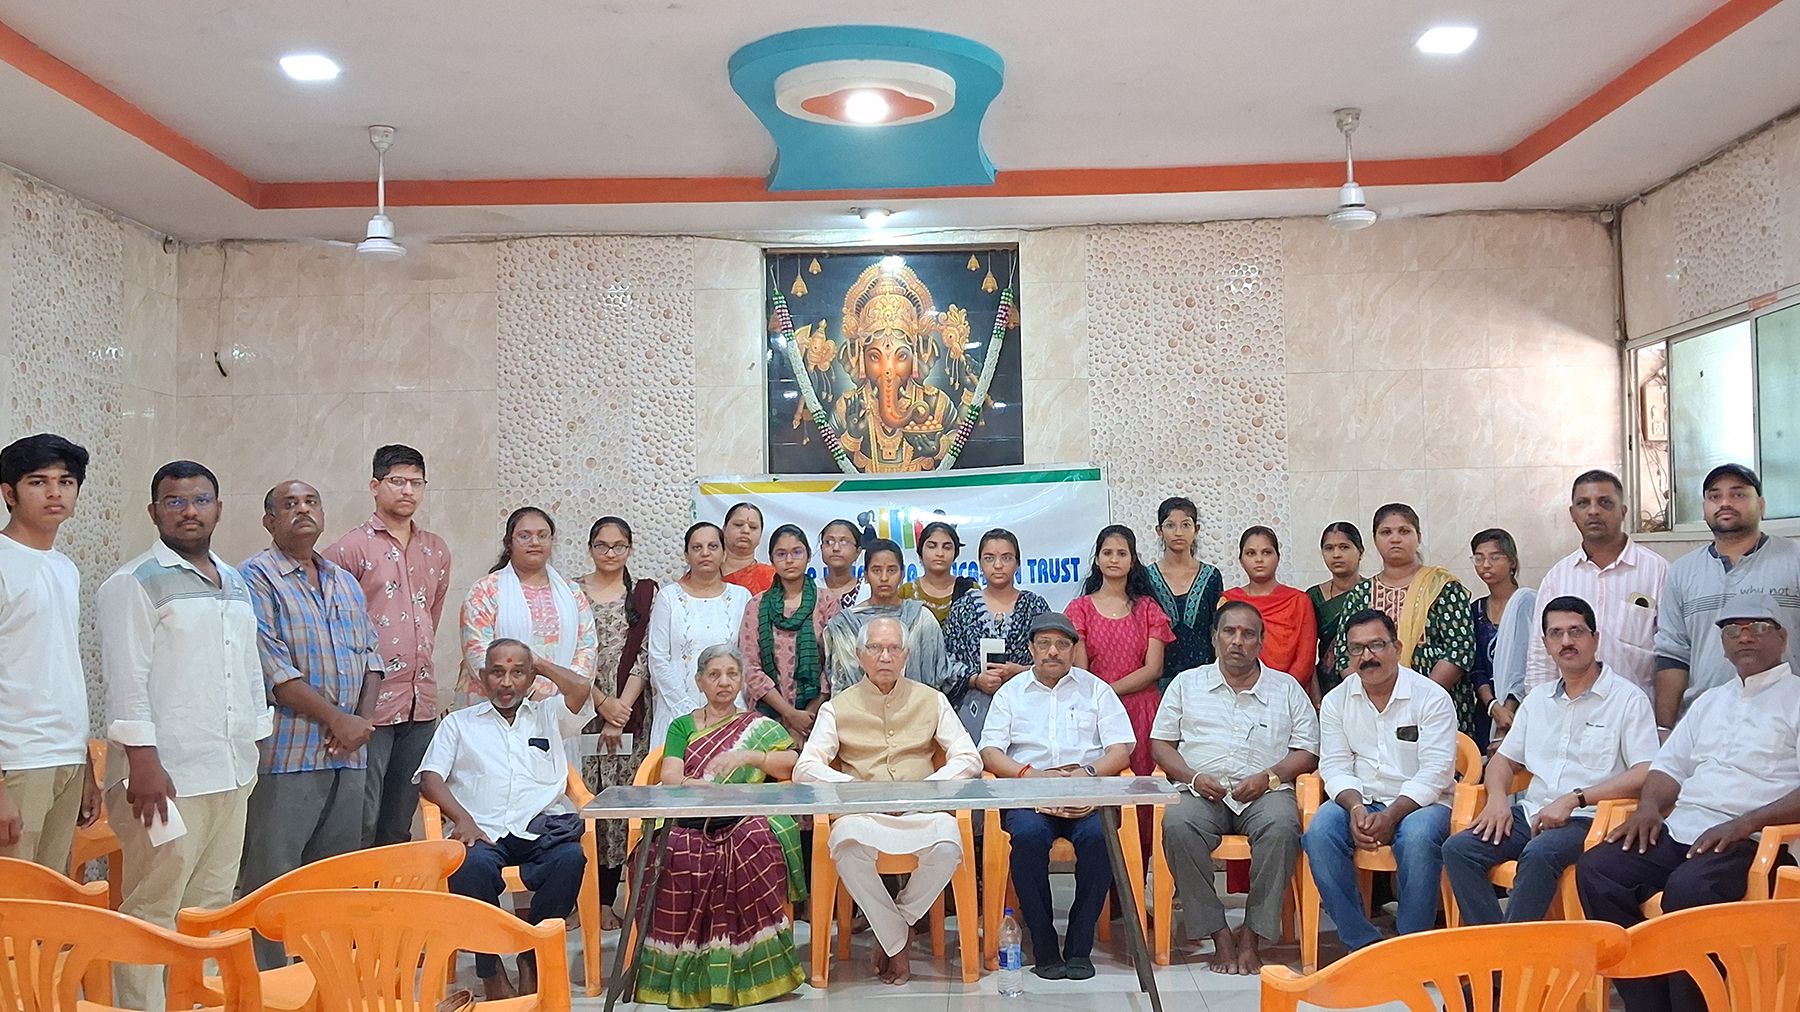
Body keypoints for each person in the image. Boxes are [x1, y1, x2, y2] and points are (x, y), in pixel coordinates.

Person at [98, 461, 272, 1011]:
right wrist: (143, 764)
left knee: (210, 906)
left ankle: (194, 1003)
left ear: (219, 508)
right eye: (174, 501)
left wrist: (256, 737)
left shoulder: (234, 580)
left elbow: (247, 667)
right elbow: (127, 681)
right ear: (154, 512)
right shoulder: (133, 583)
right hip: (163, 780)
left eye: (200, 500)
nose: (189, 511)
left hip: (229, 772)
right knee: (154, 906)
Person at [1578, 593, 1800, 1012]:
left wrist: (1745, 823)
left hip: (1754, 841)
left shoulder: (1797, 699)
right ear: (1723, 644)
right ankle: (1649, 1003)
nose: (1745, 637)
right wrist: (1648, 808)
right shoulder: (1711, 701)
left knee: (1689, 891)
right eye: (1732, 629)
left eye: (1758, 627)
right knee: (1598, 870)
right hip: (1684, 829)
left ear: (1783, 638)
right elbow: (1668, 767)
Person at [238, 482, 385, 968]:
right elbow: (273, 671)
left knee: (335, 877)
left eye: (310, 502)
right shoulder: (255, 578)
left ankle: (322, 979)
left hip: (350, 755)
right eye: (289, 505)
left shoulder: (343, 581)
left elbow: (372, 658)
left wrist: (361, 722)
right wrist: (338, 719)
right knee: (275, 877)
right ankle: (270, 983)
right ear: (269, 521)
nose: (302, 510)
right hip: (288, 755)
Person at [1442, 595, 1657, 926]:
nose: (1566, 641)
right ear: (1545, 644)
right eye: (1556, 633)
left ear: (1595, 639)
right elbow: (1503, 761)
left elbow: (1645, 771)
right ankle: (1495, 948)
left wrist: (1575, 799)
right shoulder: (1538, 700)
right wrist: (1497, 801)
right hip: (1532, 813)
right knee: (1459, 849)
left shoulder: (1627, 699)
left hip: (1590, 819)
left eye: (1576, 631)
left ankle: (1513, 953)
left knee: (1540, 853)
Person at [794, 616, 982, 986]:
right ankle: (899, 938)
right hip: (864, 813)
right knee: (846, 844)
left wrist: (927, 789)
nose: (885, 657)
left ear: (906, 655)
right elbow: (806, 768)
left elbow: (969, 758)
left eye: (894, 648)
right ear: (859, 655)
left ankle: (895, 929)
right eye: (876, 649)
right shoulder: (838, 707)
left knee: (949, 843)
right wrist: (857, 790)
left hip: (921, 810)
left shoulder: (932, 700)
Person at [418, 639, 591, 1001]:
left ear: (531, 677)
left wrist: (539, 663)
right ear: (483, 677)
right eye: (498, 672)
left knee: (571, 859)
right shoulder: (459, 724)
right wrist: (463, 819)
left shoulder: (548, 715)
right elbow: (431, 777)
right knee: (469, 866)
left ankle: (532, 957)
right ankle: (491, 970)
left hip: (539, 830)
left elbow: (580, 689)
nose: (507, 682)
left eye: (517, 673)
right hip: (483, 831)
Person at [1150, 600, 1318, 974]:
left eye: (1247, 634)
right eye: (1229, 632)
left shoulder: (1286, 688)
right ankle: (1220, 935)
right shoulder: (1186, 684)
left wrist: (1269, 777)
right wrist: (1191, 777)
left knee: (1282, 827)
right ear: (1215, 638)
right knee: (1178, 825)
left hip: (1265, 793)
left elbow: (1308, 750)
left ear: (1261, 641)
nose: (1237, 641)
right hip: (1201, 792)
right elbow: (1160, 743)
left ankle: (1253, 936)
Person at [639, 644, 807, 1008]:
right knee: (673, 850)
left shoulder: (758, 726)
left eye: (732, 674)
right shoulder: (682, 725)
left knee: (756, 842)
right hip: (691, 818)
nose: (724, 682)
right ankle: (681, 971)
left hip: (742, 817)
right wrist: (699, 786)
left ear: (742, 681)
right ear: (699, 681)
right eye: (714, 675)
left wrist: (747, 756)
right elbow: (670, 775)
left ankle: (755, 972)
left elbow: (792, 763)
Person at [978, 612, 1134, 980]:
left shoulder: (1096, 690)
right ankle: (1045, 946)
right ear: (1031, 649)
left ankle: (1079, 947)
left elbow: (1121, 750)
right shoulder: (1011, 693)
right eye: (1044, 644)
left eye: (1062, 644)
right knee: (1028, 839)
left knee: (1100, 839)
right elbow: (989, 751)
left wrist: (1087, 773)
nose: (1053, 651)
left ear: (1074, 650)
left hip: (1085, 793)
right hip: (1030, 793)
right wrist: (1030, 775)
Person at [1304, 608, 1458, 953]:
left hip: (1423, 804)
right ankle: (1362, 944)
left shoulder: (1430, 696)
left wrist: (1392, 815)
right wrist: (1355, 807)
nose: (1367, 657)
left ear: (1397, 648)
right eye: (1356, 649)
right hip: (1363, 799)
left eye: (1376, 645)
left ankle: (1409, 950)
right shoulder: (1337, 700)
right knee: (1319, 833)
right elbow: (1334, 764)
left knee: (1417, 838)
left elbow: (1436, 772)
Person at [324, 443, 452, 849]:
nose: (407, 490)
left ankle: (393, 889)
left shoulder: (436, 549)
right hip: (369, 707)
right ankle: (359, 887)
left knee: (399, 821)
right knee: (361, 816)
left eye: (416, 482)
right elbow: (331, 626)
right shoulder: (349, 549)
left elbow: (432, 615)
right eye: (397, 481)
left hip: (421, 703)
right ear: (375, 486)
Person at [0, 434, 100, 870]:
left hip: (66, 757)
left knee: (51, 897)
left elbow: (62, 670)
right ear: (9, 493)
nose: (55, 492)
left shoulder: (64, 567)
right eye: (38, 482)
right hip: (17, 760)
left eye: (66, 481)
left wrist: (86, 764)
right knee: (12, 896)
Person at [1653, 464, 1800, 734]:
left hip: (1785, 722)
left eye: (1738, 494)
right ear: (1704, 508)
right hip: (1705, 723)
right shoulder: (1683, 572)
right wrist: (1664, 729)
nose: (1725, 503)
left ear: (1762, 505)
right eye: (1715, 496)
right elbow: (1673, 655)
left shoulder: (1794, 559)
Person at [1328, 504, 1477, 736]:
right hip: (1372, 712)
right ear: (1375, 540)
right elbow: (1344, 654)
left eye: (1404, 531)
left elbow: (1459, 650)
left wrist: (1419, 701)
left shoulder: (1443, 587)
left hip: (1436, 706)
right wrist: (1373, 700)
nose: (1395, 539)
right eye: (1386, 532)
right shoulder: (1360, 594)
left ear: (1418, 537)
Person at [573, 516, 656, 931]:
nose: (610, 553)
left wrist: (620, 709)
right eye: (602, 545)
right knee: (585, 805)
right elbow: (565, 653)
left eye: (619, 546)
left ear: (630, 549)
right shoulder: (571, 592)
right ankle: (581, 900)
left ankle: (612, 899)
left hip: (631, 713)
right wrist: (601, 704)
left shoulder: (643, 595)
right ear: (590, 548)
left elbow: (645, 654)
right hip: (580, 712)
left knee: (622, 809)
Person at [1524, 469, 1669, 700]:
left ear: (1623, 512)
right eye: (1584, 503)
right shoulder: (1558, 577)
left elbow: (1671, 654)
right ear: (1573, 513)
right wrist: (1538, 709)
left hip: (1636, 711)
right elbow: (1541, 657)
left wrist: (1665, 718)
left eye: (1605, 502)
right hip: (1570, 712)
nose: (1593, 511)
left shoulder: (1657, 571)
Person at [459, 507, 599, 719]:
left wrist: (565, 695)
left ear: (552, 541)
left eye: (542, 535)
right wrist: (529, 694)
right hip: (496, 707)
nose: (535, 542)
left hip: (559, 709)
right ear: (509, 543)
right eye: (525, 536)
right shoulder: (485, 590)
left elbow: (587, 648)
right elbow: (477, 651)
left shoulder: (572, 592)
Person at [1067, 524, 1175, 775]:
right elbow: (1081, 670)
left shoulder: (1148, 609)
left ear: (1132, 561)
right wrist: (1102, 699)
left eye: (1122, 553)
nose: (1114, 559)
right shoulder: (1079, 609)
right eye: (1107, 553)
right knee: (1097, 780)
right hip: (1094, 710)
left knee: (1144, 783)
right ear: (1097, 560)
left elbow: (1154, 669)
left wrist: (1109, 692)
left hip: (1142, 710)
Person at [648, 522, 753, 750]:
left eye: (713, 546)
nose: (705, 553)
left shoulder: (741, 597)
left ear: (724, 553)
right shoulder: (668, 598)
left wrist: (724, 710)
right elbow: (657, 658)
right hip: (675, 713)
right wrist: (688, 712)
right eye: (697, 547)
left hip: (730, 713)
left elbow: (747, 658)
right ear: (686, 555)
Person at [943, 528, 1050, 739]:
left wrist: (1020, 671)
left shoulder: (1035, 606)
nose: (998, 565)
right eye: (989, 558)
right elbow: (946, 662)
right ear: (980, 563)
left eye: (1006, 558)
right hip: (973, 710)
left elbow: (1052, 659)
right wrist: (976, 680)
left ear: (1018, 563)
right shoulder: (962, 608)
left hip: (1028, 706)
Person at [821, 538, 955, 695]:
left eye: (891, 570)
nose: (884, 578)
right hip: (857, 708)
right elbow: (838, 681)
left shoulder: (922, 619)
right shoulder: (845, 625)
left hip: (916, 707)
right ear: (865, 575)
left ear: (902, 574)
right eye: (877, 570)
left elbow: (940, 676)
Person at [739, 524, 829, 747]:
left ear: (808, 555)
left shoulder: (826, 602)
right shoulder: (756, 605)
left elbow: (833, 666)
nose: (789, 560)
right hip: (768, 717)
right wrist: (790, 714)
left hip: (817, 718)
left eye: (796, 552)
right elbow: (750, 667)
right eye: (781, 554)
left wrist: (807, 717)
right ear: (771, 559)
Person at [1222, 526, 1319, 700]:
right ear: (1241, 560)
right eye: (1251, 553)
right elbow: (1223, 654)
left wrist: (1281, 693)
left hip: (1289, 695)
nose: (1259, 559)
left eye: (1267, 553)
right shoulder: (1229, 601)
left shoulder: (1298, 601)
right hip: (1238, 694)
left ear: (1278, 557)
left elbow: (1305, 658)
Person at [1467, 528, 1536, 751]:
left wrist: (1508, 709)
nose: (1486, 565)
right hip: (1487, 710)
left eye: (1495, 557)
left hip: (1524, 708)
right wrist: (1493, 706)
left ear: (1512, 562)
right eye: (1479, 558)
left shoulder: (1528, 603)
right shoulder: (1475, 609)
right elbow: (1476, 666)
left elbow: (1529, 663)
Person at [1147, 497, 1224, 692]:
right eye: (1170, 525)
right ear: (1159, 531)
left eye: (1186, 525)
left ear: (1196, 530)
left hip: (1205, 677)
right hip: (1158, 679)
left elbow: (1217, 629)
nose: (1178, 532)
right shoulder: (1146, 577)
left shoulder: (1211, 576)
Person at [1308, 523, 1365, 697]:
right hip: (1327, 686)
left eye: (1344, 547)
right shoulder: (1313, 596)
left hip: (1368, 678)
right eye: (1329, 548)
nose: (1336, 554)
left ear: (1360, 552)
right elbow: (1307, 652)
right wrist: (1316, 697)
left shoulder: (1372, 591)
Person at [899, 520, 978, 626]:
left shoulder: (971, 591)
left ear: (956, 553)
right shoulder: (905, 593)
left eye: (947, 547)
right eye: (932, 546)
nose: (940, 553)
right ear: (920, 552)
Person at [817, 518, 870, 615]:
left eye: (844, 542)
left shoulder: (868, 590)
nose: (836, 548)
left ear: (858, 551)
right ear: (821, 548)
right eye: (829, 542)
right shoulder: (812, 588)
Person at [720, 502, 775, 595]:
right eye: (738, 524)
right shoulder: (706, 573)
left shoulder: (772, 577)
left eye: (753, 527)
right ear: (723, 530)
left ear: (760, 536)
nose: (745, 531)